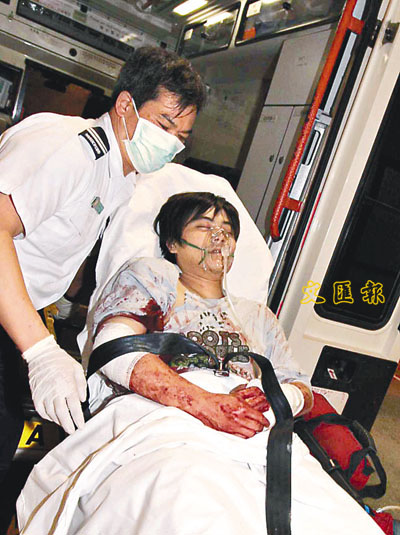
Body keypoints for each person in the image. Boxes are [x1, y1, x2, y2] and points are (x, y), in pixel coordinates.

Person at [17, 192, 383, 535]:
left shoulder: (257, 316)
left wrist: (274, 401)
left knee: (338, 520)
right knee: (194, 505)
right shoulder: (152, 278)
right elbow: (116, 349)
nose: (219, 237)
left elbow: (300, 387)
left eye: (227, 231)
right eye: (204, 227)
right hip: (166, 420)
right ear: (173, 244)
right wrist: (203, 403)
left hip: (254, 435)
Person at [0, 45, 206, 482]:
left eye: (182, 136)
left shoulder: (120, 177)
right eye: (164, 125)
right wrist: (40, 352)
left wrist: (72, 306)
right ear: (126, 105)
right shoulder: (72, 151)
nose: (172, 143)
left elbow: (57, 243)